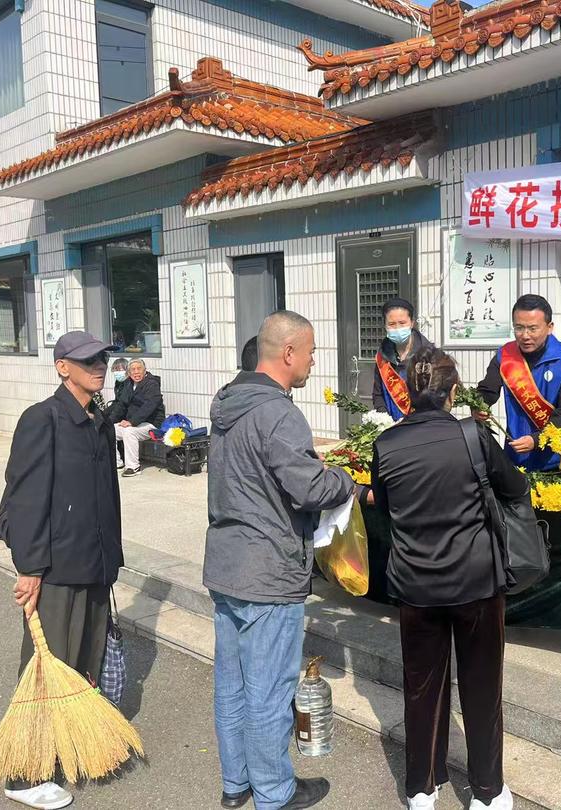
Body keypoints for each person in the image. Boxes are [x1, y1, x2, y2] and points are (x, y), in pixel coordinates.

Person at [204, 311, 355, 810]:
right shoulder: (279, 413)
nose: (313, 361)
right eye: (310, 352)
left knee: (233, 684)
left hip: (227, 563)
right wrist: (344, 480)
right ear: (289, 353)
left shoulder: (228, 403)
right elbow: (309, 488)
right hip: (268, 569)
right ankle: (274, 792)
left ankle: (237, 782)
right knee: (269, 691)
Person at [371, 347, 525, 810]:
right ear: (452, 392)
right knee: (482, 688)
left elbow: (385, 504)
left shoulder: (386, 445)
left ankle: (421, 788)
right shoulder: (473, 436)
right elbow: (516, 487)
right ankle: (487, 793)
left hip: (416, 584)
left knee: (421, 687)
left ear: (407, 393)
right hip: (476, 582)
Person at [0, 330, 124, 810]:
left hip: (94, 562)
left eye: (102, 359)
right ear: (62, 367)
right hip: (55, 569)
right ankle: (25, 774)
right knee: (47, 668)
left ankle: (66, 749)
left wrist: (110, 558)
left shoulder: (98, 420)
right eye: (88, 361)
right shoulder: (43, 418)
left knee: (82, 663)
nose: (99, 367)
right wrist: (29, 568)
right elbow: (25, 500)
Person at [475, 295, 561, 472]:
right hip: (516, 454)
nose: (525, 336)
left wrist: (536, 440)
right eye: (519, 328)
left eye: (533, 328)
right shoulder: (505, 355)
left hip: (557, 457)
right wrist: (479, 405)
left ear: (549, 327)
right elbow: (488, 390)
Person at [372, 298, 433, 421]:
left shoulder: (429, 354)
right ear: (385, 326)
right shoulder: (382, 356)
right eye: (392, 324)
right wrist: (384, 420)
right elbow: (378, 394)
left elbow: (438, 396)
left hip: (422, 424)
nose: (397, 328)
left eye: (402, 323)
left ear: (412, 323)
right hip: (391, 425)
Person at [107, 359, 164, 477]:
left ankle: (133, 467)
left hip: (151, 423)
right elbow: (121, 405)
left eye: (139, 369)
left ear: (145, 370)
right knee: (108, 430)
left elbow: (149, 406)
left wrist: (132, 421)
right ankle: (117, 463)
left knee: (129, 431)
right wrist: (109, 421)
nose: (136, 372)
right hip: (134, 423)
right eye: (133, 369)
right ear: (129, 372)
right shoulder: (128, 384)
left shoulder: (152, 384)